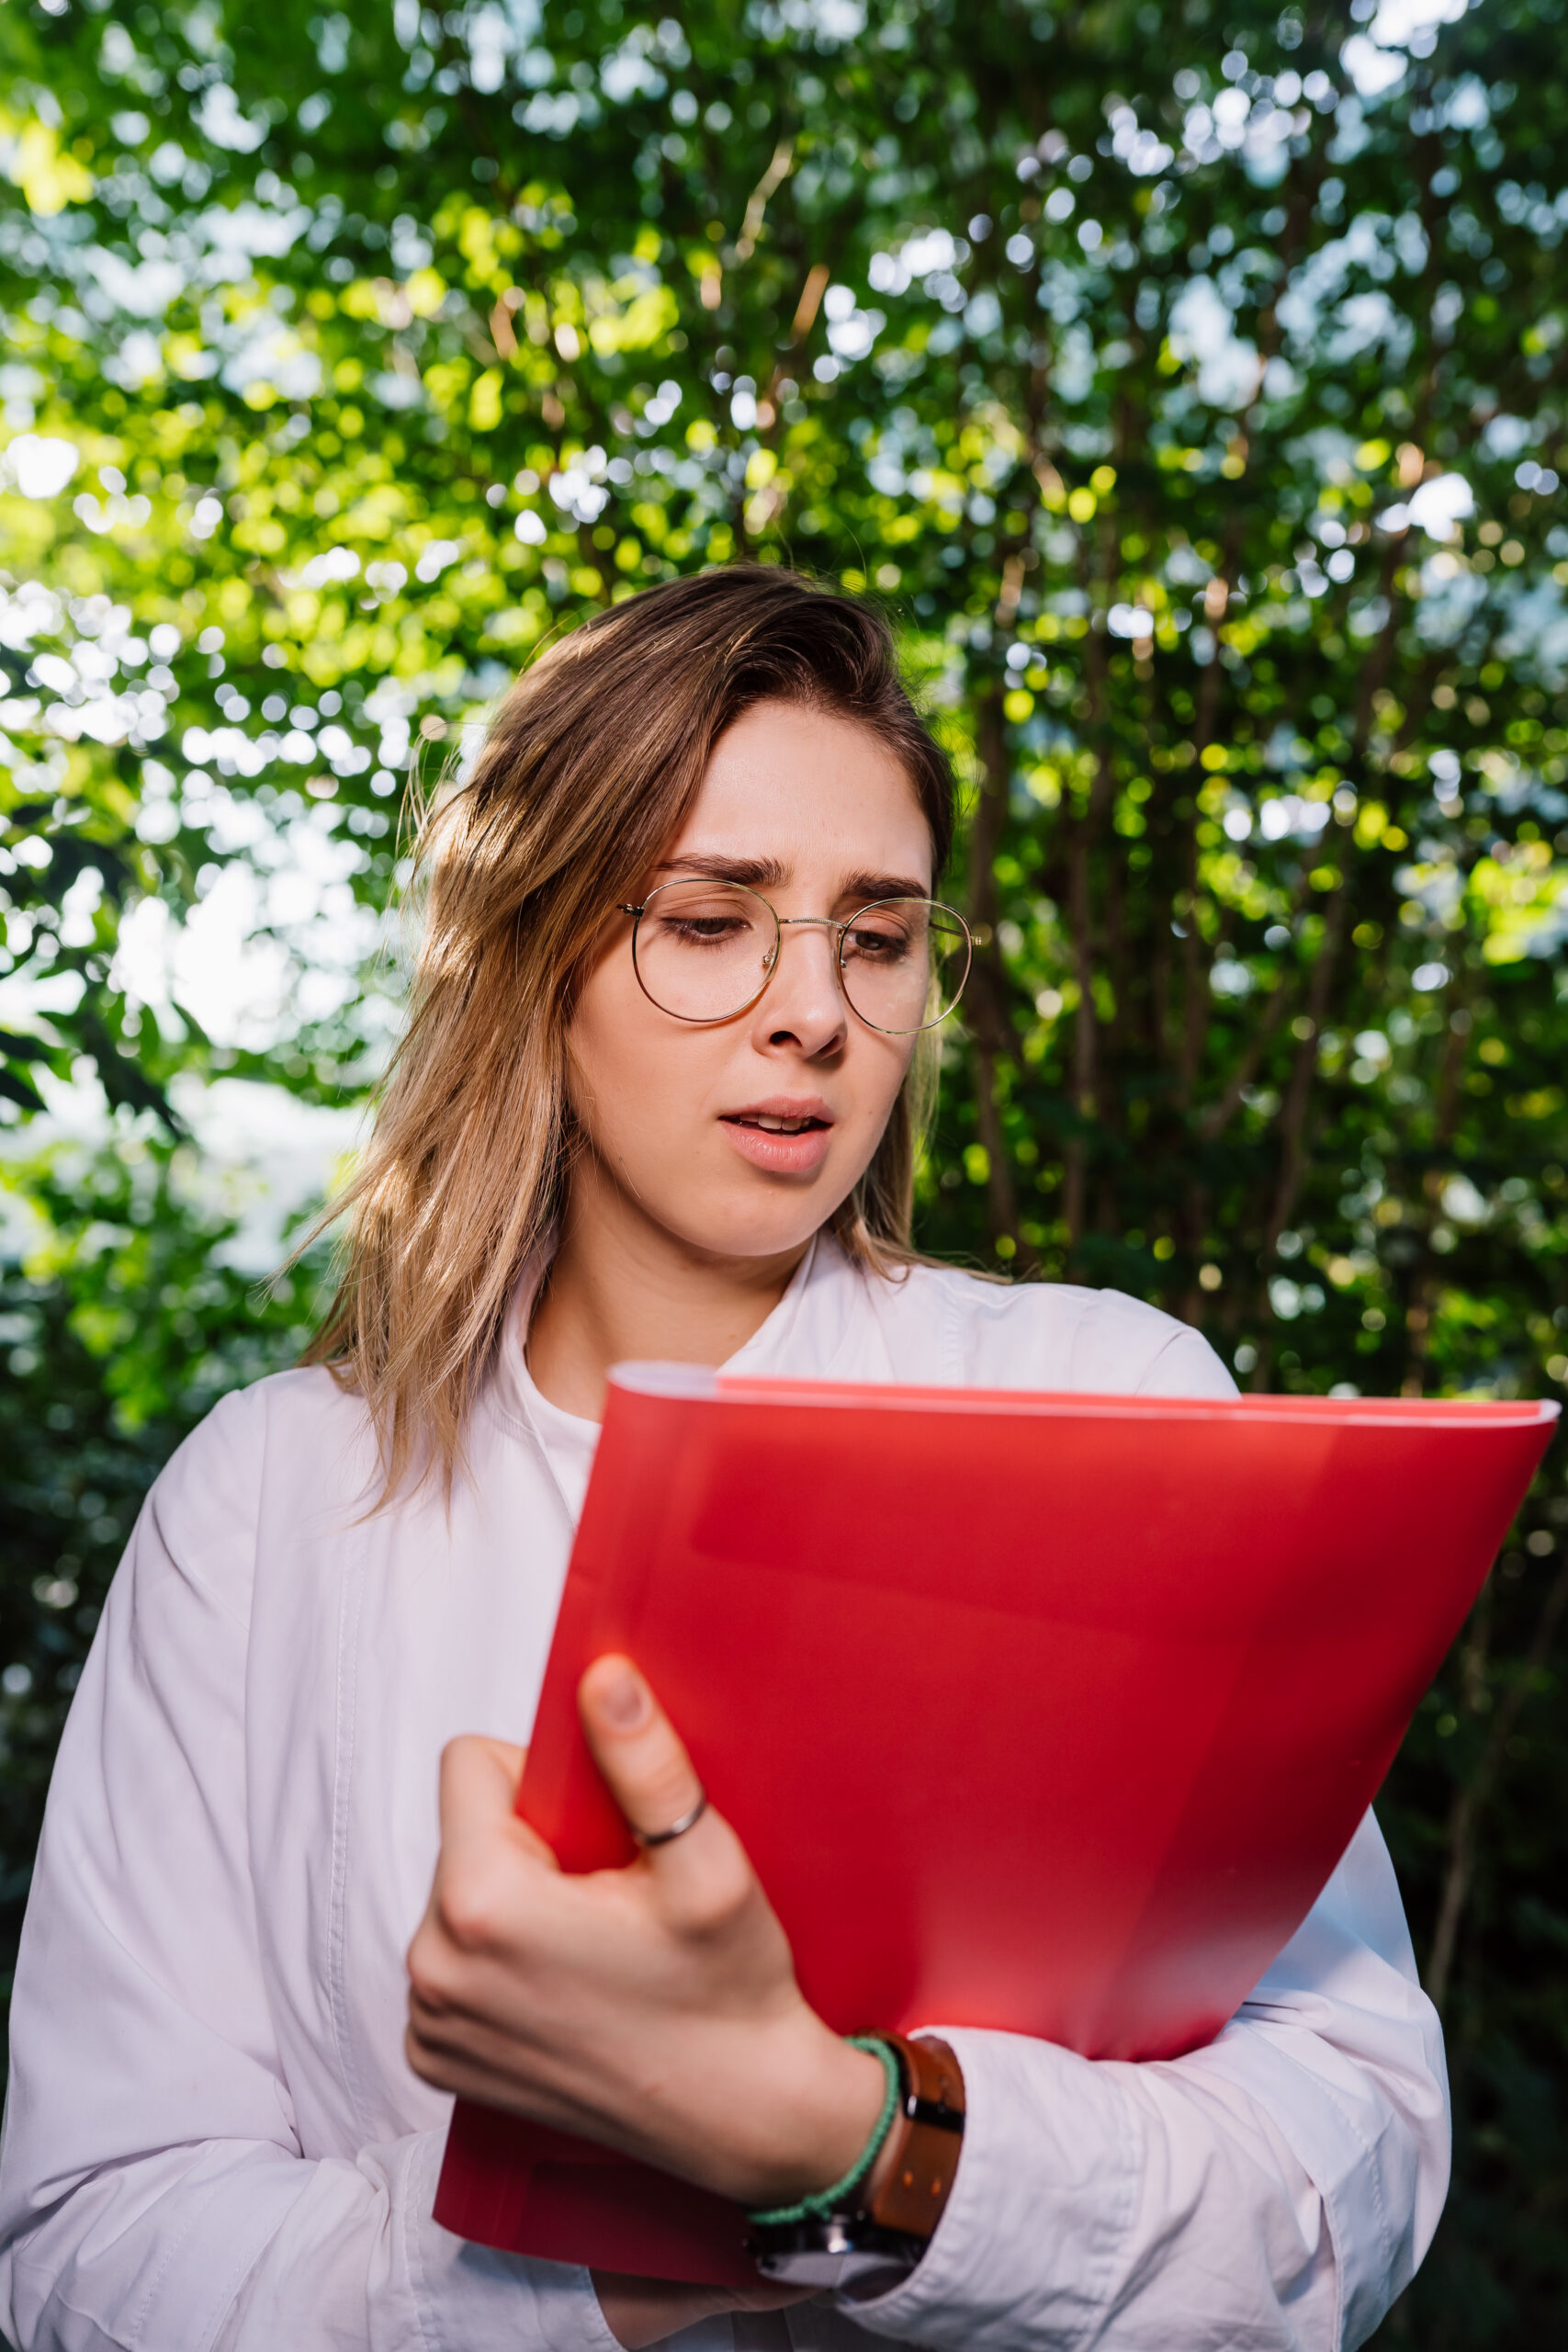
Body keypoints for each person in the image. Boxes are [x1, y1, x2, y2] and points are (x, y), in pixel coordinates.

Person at [0, 569, 1448, 2352]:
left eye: (876, 929)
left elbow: (1347, 2154)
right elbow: (85, 2249)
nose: (812, 1008)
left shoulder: (1113, 1397)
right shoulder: (264, 1502)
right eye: (708, 918)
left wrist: (844, 2146)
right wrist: (605, 2250)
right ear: (531, 953)